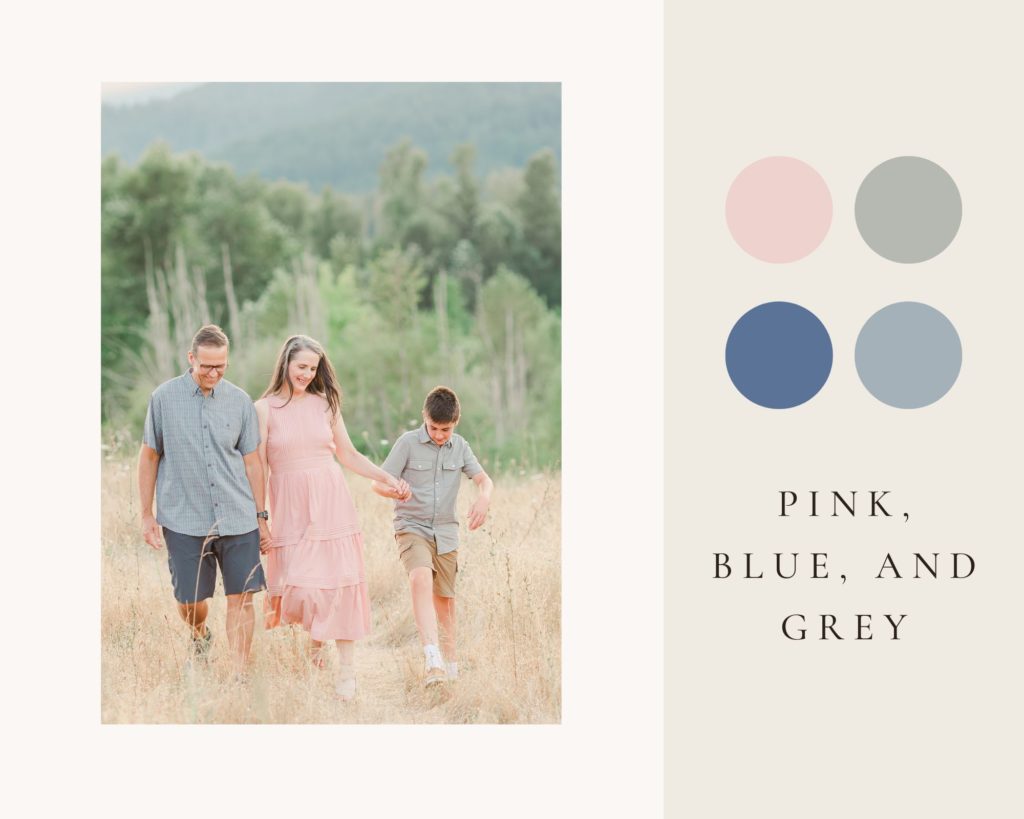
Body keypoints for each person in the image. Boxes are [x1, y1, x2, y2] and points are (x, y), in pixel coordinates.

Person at [255, 335, 410, 700]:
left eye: (313, 368)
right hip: (289, 507)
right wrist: (260, 517)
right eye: (301, 367)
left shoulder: (325, 405)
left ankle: (347, 672)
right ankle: (316, 640)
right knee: (300, 586)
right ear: (285, 364)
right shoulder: (263, 409)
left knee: (339, 584)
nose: (307, 374)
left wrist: (388, 478)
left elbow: (349, 454)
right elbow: (258, 466)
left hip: (330, 501)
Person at [138, 324, 270, 674]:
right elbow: (149, 456)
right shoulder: (163, 399)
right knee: (191, 601)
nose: (213, 373)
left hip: (238, 516)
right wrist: (145, 514)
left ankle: (239, 673)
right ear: (191, 358)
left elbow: (253, 462)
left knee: (241, 598)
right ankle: (199, 633)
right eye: (206, 366)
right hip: (184, 518)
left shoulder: (240, 401)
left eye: (221, 366)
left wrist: (262, 516)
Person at [372, 386, 494, 687]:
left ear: (456, 422)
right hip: (411, 525)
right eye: (434, 428)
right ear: (424, 418)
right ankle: (431, 658)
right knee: (420, 578)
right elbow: (378, 483)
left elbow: (483, 480)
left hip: (446, 531)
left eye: (446, 429)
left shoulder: (461, 447)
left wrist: (483, 498)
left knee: (445, 601)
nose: (439, 435)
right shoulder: (407, 443)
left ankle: (451, 667)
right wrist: (393, 489)